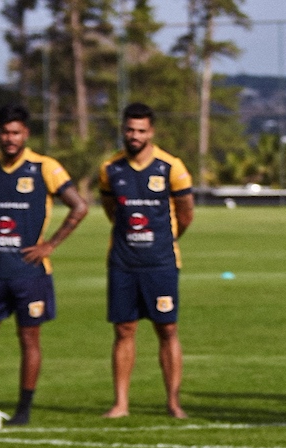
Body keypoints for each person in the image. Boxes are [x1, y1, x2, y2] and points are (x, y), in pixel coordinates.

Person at [0, 103, 88, 430]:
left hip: (31, 274)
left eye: (16, 132)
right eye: (5, 132)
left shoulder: (45, 168)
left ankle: (23, 409)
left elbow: (79, 206)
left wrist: (50, 245)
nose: (9, 138)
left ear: (26, 134)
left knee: (29, 340)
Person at [98, 102, 194, 419]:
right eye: (130, 129)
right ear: (123, 130)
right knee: (123, 330)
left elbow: (185, 213)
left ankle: (173, 402)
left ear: (151, 131)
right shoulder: (110, 168)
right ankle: (121, 403)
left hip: (161, 262)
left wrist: (165, 240)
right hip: (123, 262)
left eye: (141, 130)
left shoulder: (171, 166)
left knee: (167, 329)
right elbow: (112, 211)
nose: (135, 135)